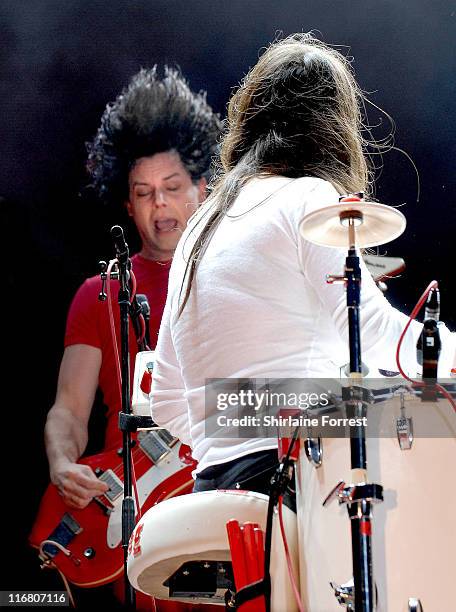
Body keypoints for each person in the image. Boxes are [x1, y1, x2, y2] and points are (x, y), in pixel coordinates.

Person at [149, 34, 456, 500]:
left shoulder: (198, 228)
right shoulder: (308, 199)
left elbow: (168, 402)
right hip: (293, 485)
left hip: (211, 488)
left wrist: (242, 424)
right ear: (332, 128)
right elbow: (374, 334)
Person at [43, 67, 221, 608]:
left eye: (172, 189)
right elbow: (69, 411)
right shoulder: (99, 293)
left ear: (202, 189)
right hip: (126, 509)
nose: (159, 205)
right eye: (144, 193)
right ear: (127, 203)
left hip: (210, 499)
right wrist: (61, 462)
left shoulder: (232, 282)